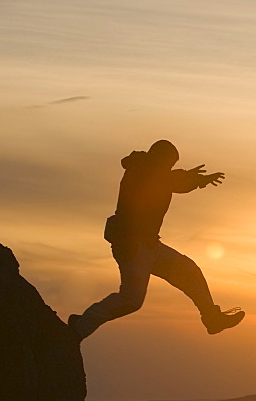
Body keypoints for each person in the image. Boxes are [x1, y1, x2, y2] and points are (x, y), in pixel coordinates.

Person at [68, 140, 245, 340]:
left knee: (188, 270)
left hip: (150, 245)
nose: (170, 167)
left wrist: (191, 179)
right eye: (170, 163)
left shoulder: (154, 172)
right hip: (132, 245)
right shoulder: (140, 171)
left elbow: (170, 180)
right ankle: (80, 326)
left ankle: (212, 318)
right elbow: (165, 179)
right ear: (159, 157)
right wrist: (191, 179)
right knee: (131, 299)